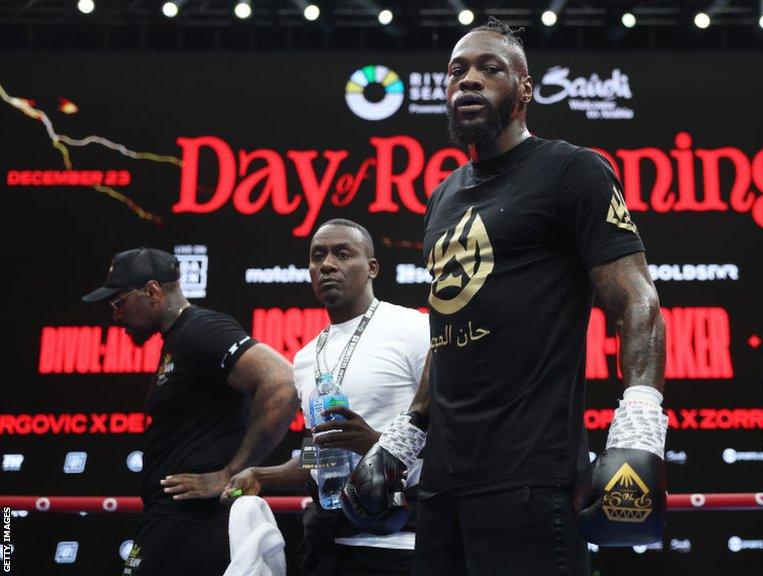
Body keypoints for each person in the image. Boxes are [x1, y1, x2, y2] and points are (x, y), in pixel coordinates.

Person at [338, 17, 668, 576]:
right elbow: (448, 327)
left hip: (532, 476)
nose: (468, 80)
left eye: (490, 69)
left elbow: (637, 300)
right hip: (442, 484)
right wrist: (406, 435)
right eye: (456, 71)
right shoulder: (443, 197)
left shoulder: (572, 170)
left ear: (523, 90)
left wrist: (640, 421)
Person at [221, 219, 430, 576]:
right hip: (326, 546)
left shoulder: (412, 329)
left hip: (399, 546)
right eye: (318, 256)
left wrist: (377, 445)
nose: (327, 264)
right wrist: (262, 474)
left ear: (372, 268)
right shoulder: (305, 358)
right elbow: (322, 456)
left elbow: (460, 438)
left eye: (342, 253)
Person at [82, 247, 297, 576]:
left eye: (119, 302)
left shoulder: (201, 328)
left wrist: (230, 473)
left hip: (192, 525)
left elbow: (282, 382)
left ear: (152, 291)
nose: (115, 315)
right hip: (173, 521)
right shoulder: (179, 339)